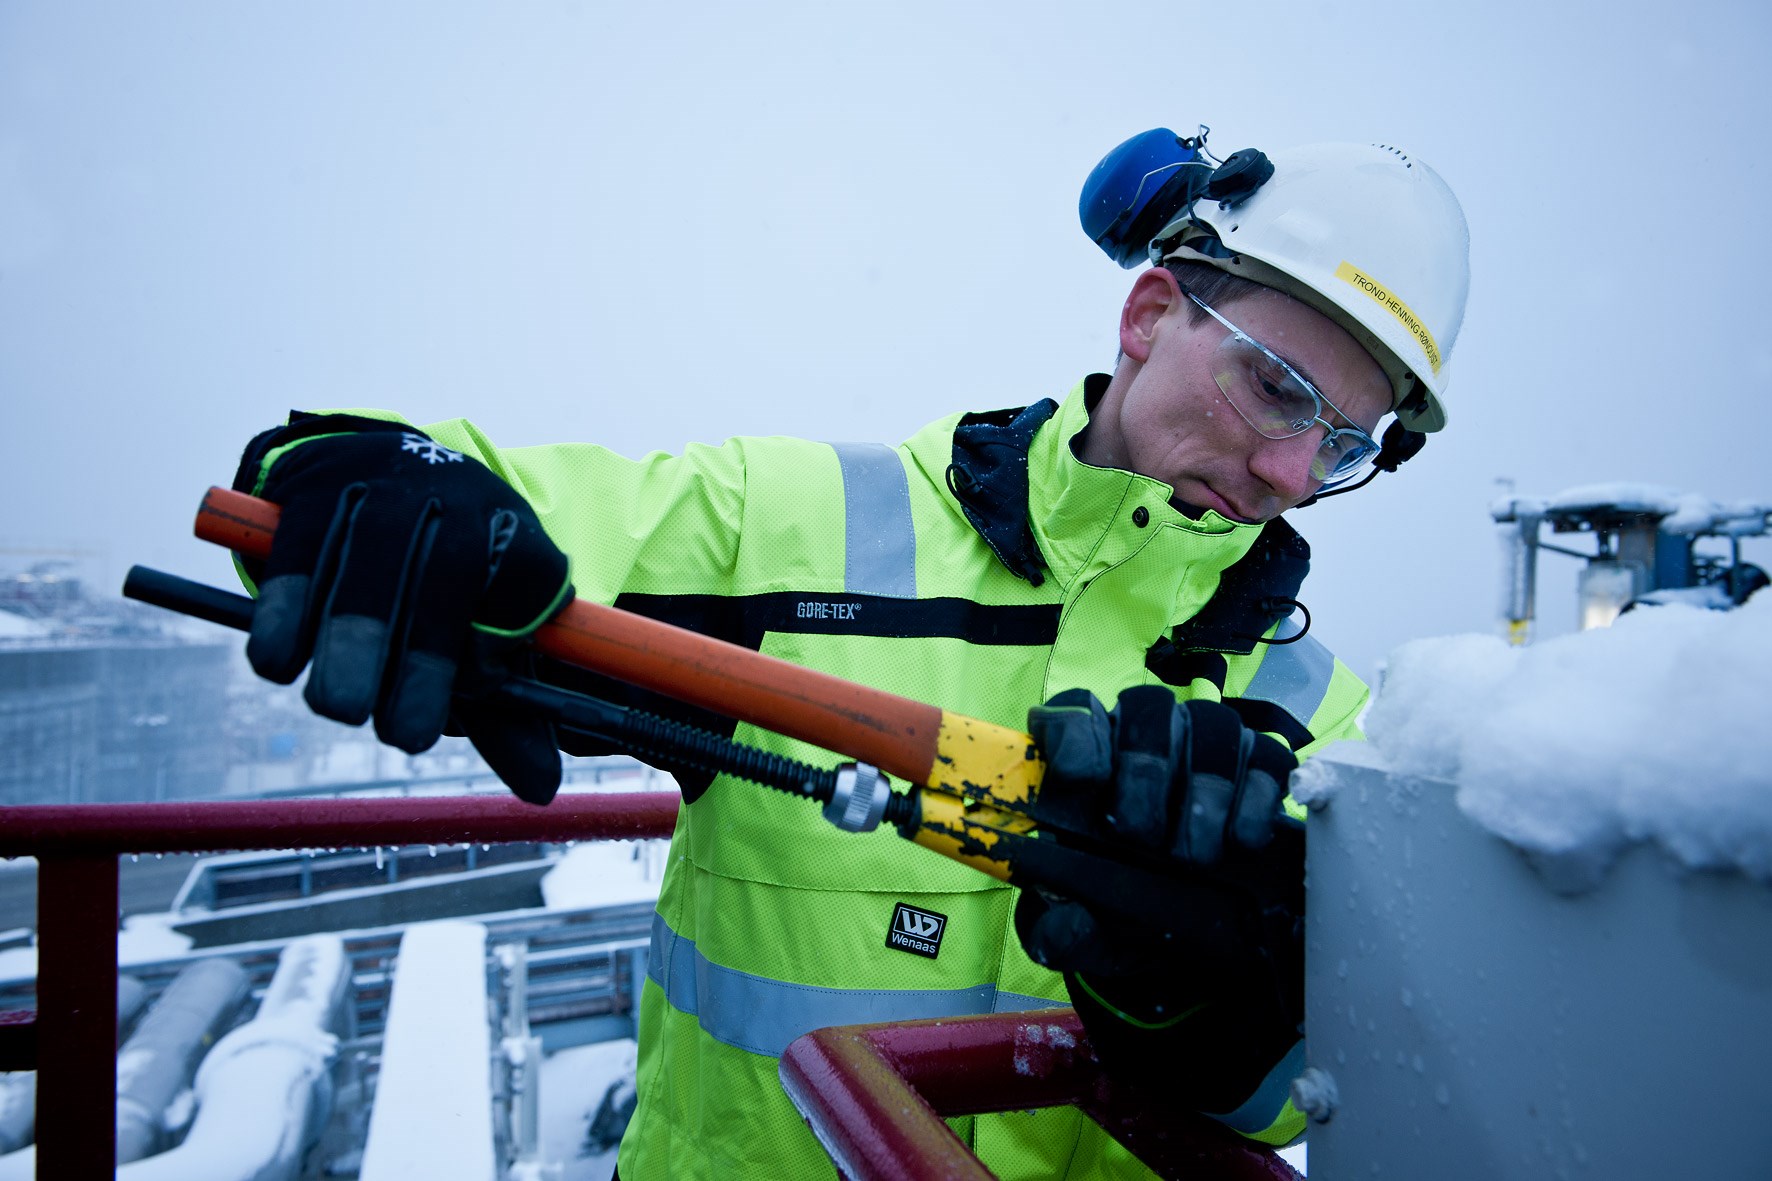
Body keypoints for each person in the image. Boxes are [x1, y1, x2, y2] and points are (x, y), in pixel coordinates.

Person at [230, 131, 1470, 1178]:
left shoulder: (1323, 720)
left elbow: (1299, 1104)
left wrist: (1197, 1011)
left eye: (1346, 446)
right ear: (1149, 314)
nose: (1290, 473)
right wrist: (363, 476)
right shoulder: (799, 530)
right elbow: (491, 501)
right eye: (1275, 388)